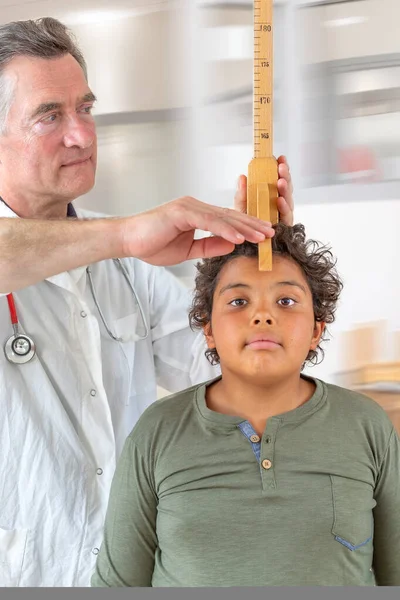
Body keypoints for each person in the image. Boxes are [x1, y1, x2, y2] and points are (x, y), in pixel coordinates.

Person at [0, 17, 294, 586]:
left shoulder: (127, 269)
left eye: (85, 108)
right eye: (49, 115)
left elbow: (231, 368)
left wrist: (262, 258)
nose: (82, 134)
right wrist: (127, 234)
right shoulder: (123, 243)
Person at [91, 223, 400, 587]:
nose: (263, 316)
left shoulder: (365, 425)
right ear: (208, 328)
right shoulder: (158, 431)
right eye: (239, 301)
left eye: (286, 301)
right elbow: (116, 585)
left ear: (317, 329)